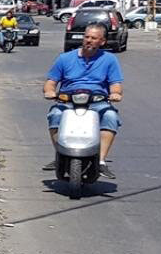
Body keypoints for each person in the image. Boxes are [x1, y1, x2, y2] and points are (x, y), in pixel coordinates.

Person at [43, 23, 123, 179]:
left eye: (94, 38)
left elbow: (116, 86)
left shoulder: (109, 60)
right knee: (55, 115)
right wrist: (49, 91)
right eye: (87, 37)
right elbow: (50, 82)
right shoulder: (65, 58)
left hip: (97, 101)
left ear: (102, 41)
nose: (89, 41)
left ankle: (100, 161)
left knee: (110, 117)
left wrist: (115, 94)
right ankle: (59, 153)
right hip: (68, 101)